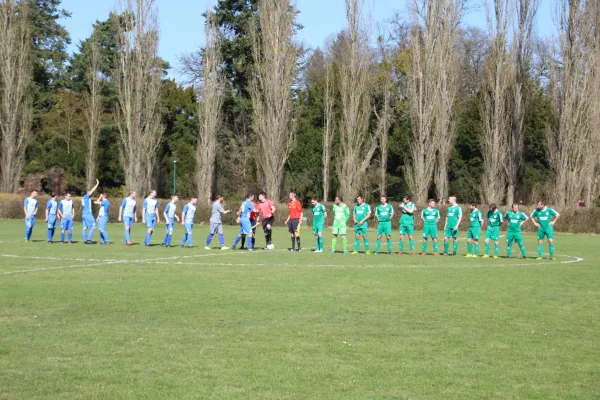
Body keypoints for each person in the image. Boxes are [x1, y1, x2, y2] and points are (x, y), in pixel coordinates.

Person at [81, 179, 100, 244]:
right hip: (87, 214)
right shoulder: (86, 196)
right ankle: (88, 240)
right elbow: (92, 191)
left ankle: (85, 240)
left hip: (83, 214)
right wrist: (97, 184)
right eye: (90, 192)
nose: (91, 193)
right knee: (93, 226)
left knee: (84, 228)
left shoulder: (84, 198)